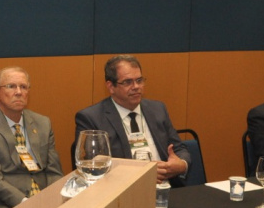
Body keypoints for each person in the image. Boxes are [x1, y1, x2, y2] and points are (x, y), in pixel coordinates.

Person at [74, 55, 190, 186]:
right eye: (127, 82)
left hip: (166, 190)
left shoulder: (158, 109)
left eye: (139, 80)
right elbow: (92, 165)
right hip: (121, 194)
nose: (136, 87)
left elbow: (180, 149)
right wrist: (141, 173)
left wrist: (181, 164)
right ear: (111, 86)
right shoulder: (91, 118)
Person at [0, 67, 64, 208]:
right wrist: (26, 202)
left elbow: (54, 172)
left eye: (23, 87)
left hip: (43, 196)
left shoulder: (43, 123)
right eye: (11, 86)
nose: (18, 92)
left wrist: (53, 197)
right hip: (1, 201)